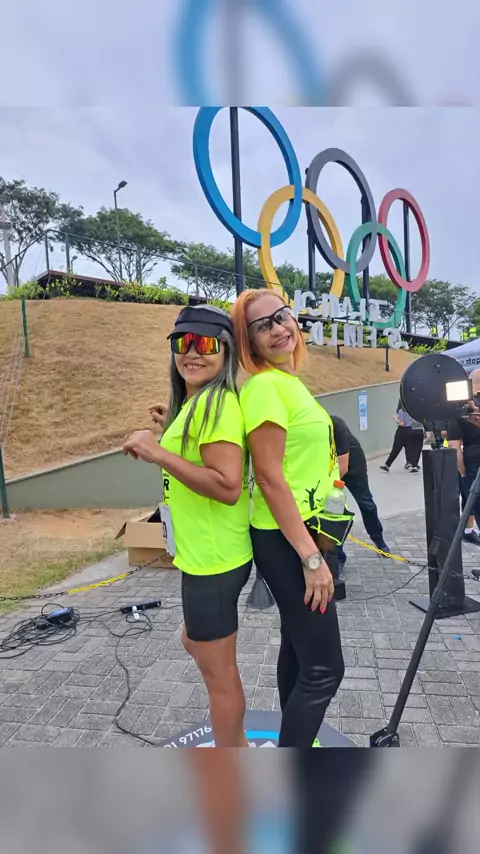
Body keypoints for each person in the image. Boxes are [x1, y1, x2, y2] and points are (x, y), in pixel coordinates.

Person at [123, 305, 253, 747]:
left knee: (219, 676)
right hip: (205, 555)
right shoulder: (199, 404)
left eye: (205, 343)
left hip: (213, 561)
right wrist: (172, 428)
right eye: (183, 342)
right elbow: (201, 456)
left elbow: (227, 486)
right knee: (194, 642)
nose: (192, 352)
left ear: (226, 350)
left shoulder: (216, 405)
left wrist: (159, 452)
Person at [231, 289, 351, 748]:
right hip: (290, 543)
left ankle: (297, 741)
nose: (279, 328)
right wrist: (310, 558)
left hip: (306, 533)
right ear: (249, 342)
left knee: (299, 651)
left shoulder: (287, 382)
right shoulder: (264, 388)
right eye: (262, 325)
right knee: (325, 669)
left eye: (281, 316)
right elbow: (267, 476)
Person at [331, 414, 390, 569]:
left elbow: (343, 467)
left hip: (352, 467)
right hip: (330, 468)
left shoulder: (336, 424)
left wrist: (328, 487)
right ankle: (337, 555)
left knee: (366, 504)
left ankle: (379, 541)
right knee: (333, 510)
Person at [447, 368, 480, 543]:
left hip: (473, 463)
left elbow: (454, 446)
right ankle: (468, 530)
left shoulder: (460, 409)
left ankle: (468, 530)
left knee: (474, 502)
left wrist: (464, 473)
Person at [380, 403, 424, 473]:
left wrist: (395, 418)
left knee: (396, 449)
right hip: (413, 429)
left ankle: (387, 465)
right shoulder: (413, 410)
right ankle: (414, 466)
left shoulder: (401, 410)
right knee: (412, 449)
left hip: (402, 431)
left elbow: (402, 423)